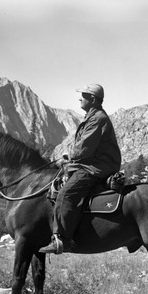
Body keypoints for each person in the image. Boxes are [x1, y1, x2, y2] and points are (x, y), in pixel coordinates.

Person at [39, 83, 121, 254]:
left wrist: (68, 156)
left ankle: (62, 239)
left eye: (83, 95)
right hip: (93, 163)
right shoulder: (93, 117)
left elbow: (84, 149)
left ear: (92, 99)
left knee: (66, 193)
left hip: (97, 166)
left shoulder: (97, 118)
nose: (79, 98)